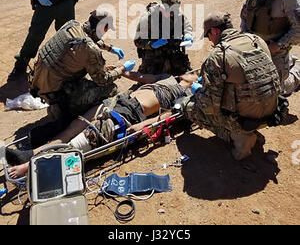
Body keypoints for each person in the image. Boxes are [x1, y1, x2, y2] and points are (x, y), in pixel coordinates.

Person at [6, 71, 199, 178]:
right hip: (117, 102)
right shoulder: (166, 76)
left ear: (194, 82)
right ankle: (33, 153)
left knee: (83, 142)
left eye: (195, 74)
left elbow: (167, 116)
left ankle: (32, 166)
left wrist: (144, 125)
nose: (191, 72)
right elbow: (141, 78)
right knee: (73, 127)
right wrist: (123, 71)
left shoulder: (184, 96)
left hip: (130, 114)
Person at [27, 8, 136, 148]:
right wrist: (122, 69)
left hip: (40, 84)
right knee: (111, 89)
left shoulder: (72, 25)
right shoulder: (90, 49)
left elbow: (84, 39)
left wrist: (109, 47)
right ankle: (71, 113)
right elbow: (102, 79)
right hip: (58, 93)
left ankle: (61, 108)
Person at [181, 12, 282, 161]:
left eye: (208, 35)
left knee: (188, 107)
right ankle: (251, 128)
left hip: (245, 119)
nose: (209, 40)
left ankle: (239, 136)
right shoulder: (256, 40)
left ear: (215, 31)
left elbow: (209, 106)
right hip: (273, 110)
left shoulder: (218, 55)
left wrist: (198, 93)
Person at [239, 0, 300, 96]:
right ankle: (289, 63)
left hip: (277, 49)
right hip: (257, 49)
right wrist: (244, 40)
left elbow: (298, 30)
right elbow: (244, 20)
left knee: (278, 91)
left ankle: (297, 71)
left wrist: (278, 45)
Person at [134, 0, 193, 75]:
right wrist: (152, 44)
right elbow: (137, 41)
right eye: (171, 12)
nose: (173, 14)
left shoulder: (176, 13)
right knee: (147, 81)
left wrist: (188, 34)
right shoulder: (148, 18)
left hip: (173, 53)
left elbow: (186, 25)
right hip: (154, 56)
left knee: (187, 77)